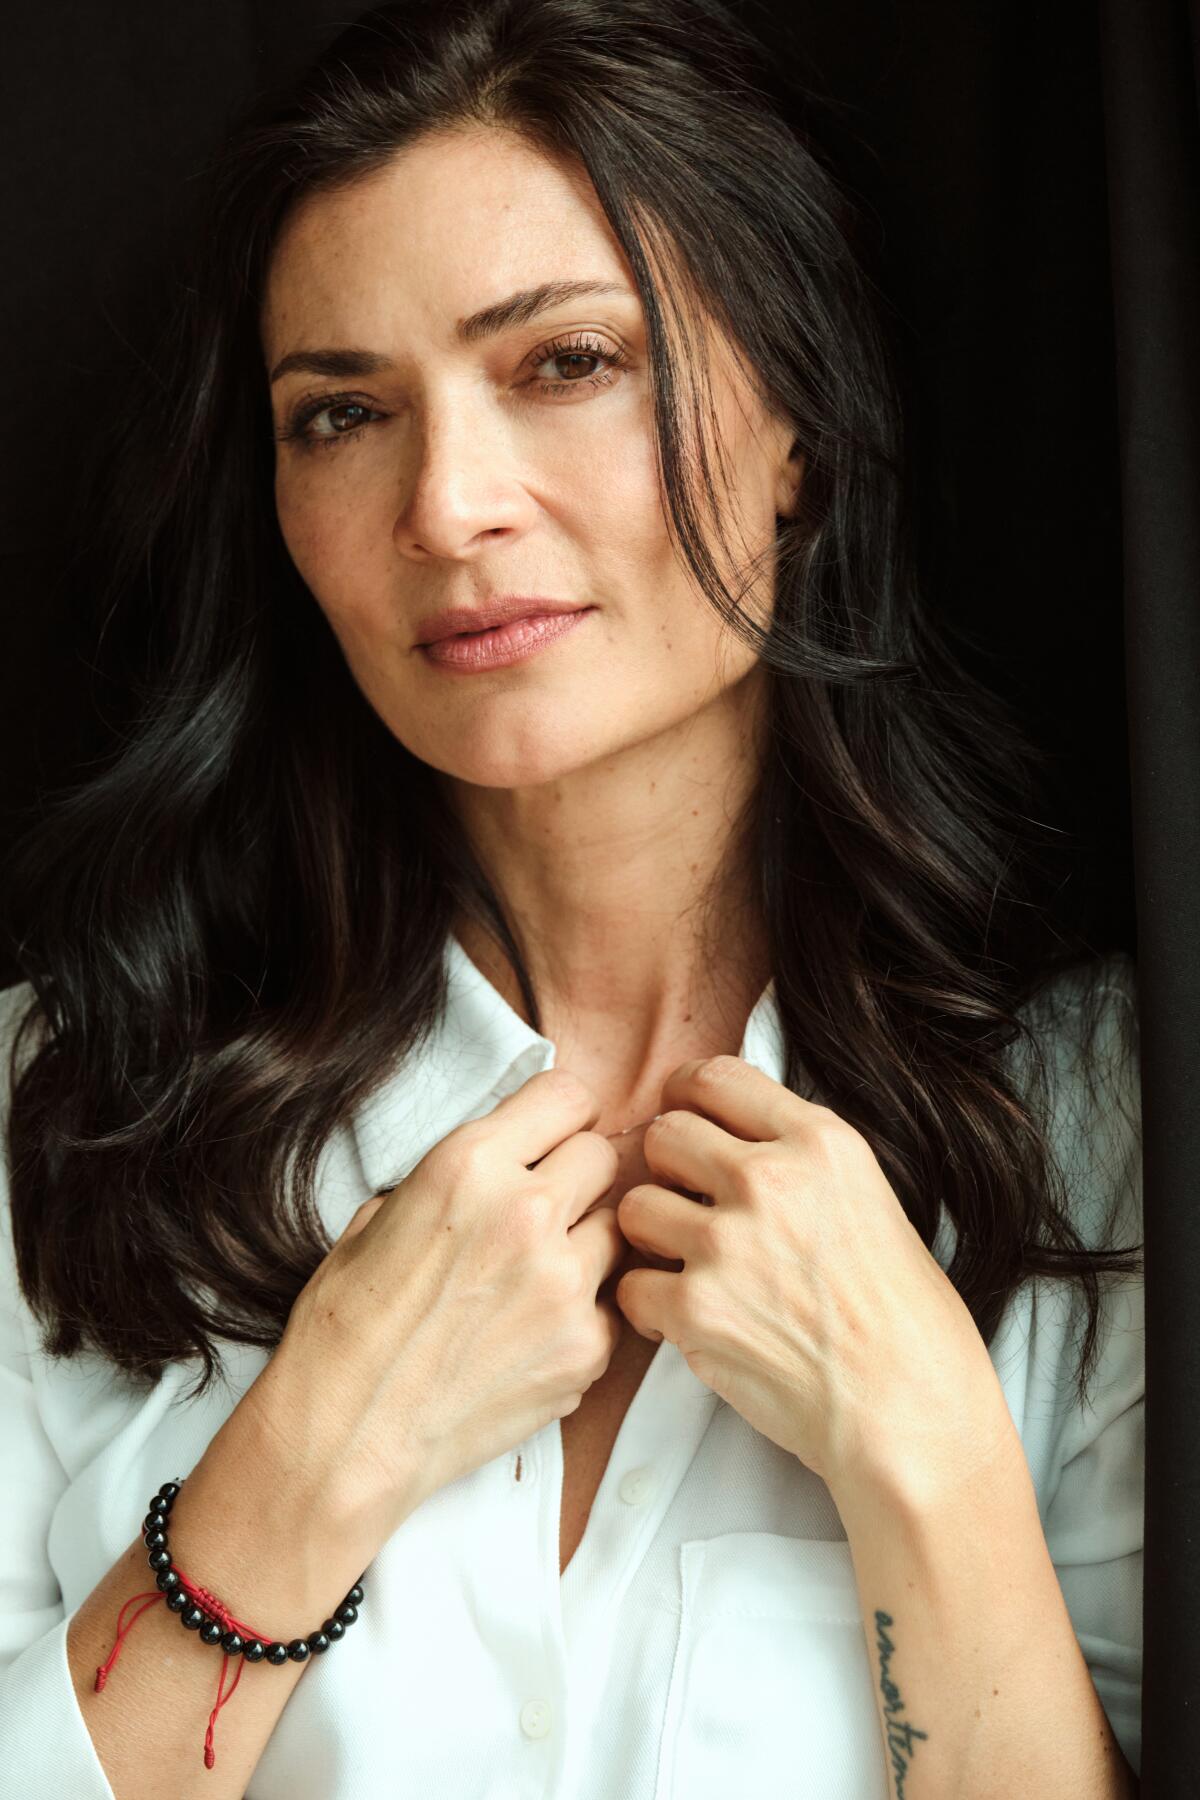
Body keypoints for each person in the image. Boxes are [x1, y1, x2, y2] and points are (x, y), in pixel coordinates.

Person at [0, 1, 1143, 1795]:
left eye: (566, 364)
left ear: (804, 434)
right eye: (345, 413)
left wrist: (927, 1455)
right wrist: (299, 1475)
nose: (448, 507)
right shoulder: (62, 1110)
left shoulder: (1099, 1124)